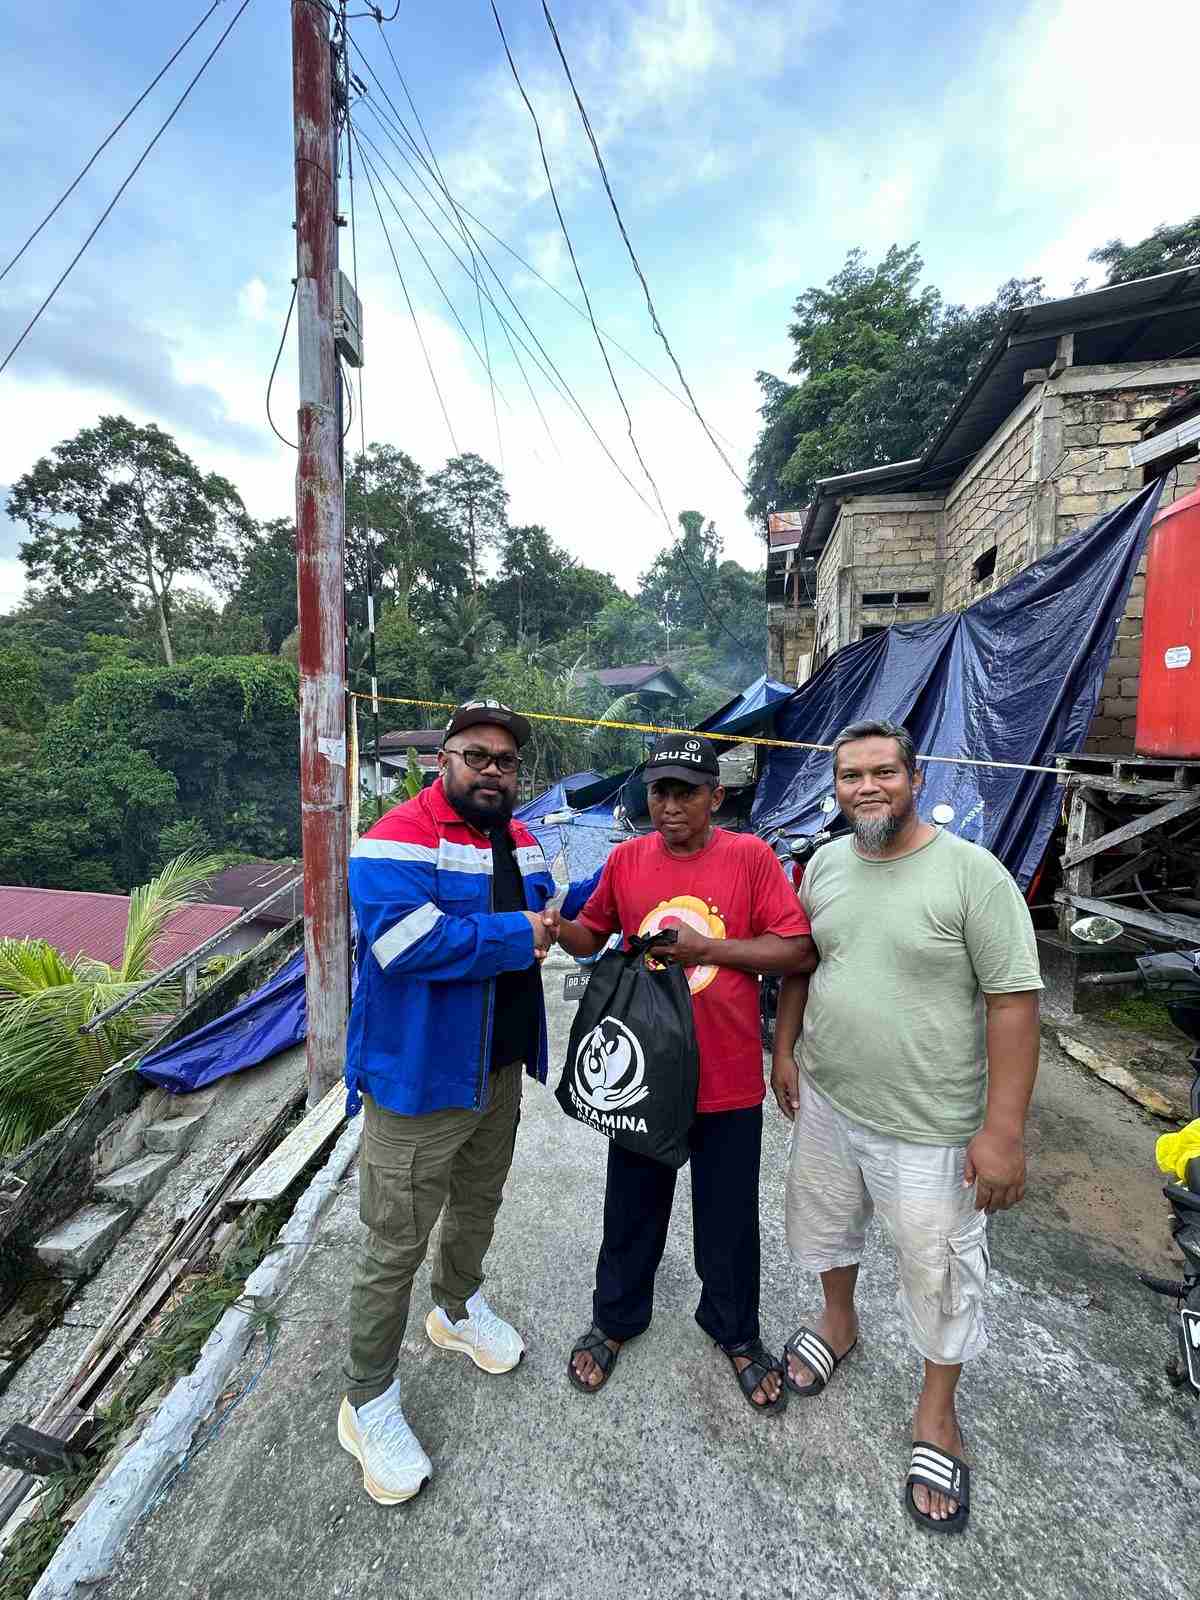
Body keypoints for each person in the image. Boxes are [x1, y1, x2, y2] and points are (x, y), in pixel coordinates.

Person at [770, 719, 1042, 1534]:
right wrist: (784, 1050)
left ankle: (936, 1413)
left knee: (938, 1269)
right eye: (850, 776)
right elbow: (804, 963)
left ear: (915, 778)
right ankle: (839, 1322)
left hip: (931, 1123)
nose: (867, 788)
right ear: (835, 788)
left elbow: (1014, 1004)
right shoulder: (825, 865)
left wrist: (1003, 1132)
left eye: (882, 772)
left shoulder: (973, 875)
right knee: (824, 1226)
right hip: (827, 1096)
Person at [550, 733, 817, 1414]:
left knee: (729, 1215)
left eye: (686, 793)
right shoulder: (627, 859)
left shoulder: (750, 858)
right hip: (645, 1073)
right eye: (659, 792)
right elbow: (593, 933)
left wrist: (708, 950)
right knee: (631, 1206)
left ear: (715, 797)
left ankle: (734, 1330)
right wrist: (557, 927)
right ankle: (615, 1318)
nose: (669, 806)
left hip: (728, 1074)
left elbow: (796, 950)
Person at [338, 698, 557, 1505]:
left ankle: (456, 1309)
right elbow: (407, 944)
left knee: (478, 1203)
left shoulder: (522, 836)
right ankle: (367, 1401)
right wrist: (521, 933)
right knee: (394, 1242)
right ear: (444, 760)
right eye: (477, 755)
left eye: (506, 760)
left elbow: (550, 911)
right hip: (419, 1082)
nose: (493, 770)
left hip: (497, 1072)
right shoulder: (394, 837)